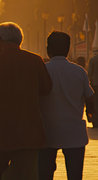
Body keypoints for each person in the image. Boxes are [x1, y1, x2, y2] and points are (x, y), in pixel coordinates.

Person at [0, 22, 52, 180]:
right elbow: (46, 88)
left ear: (0, 40)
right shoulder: (35, 61)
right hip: (29, 127)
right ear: (19, 40)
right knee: (27, 173)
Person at [38, 32, 94, 180]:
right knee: (75, 174)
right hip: (74, 133)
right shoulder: (79, 72)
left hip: (47, 132)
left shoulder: (42, 70)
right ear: (68, 49)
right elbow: (90, 97)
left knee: (44, 173)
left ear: (48, 49)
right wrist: (90, 113)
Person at [88, 49, 98, 127]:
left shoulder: (93, 60)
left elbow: (89, 72)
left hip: (95, 84)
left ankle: (95, 122)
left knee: (95, 103)